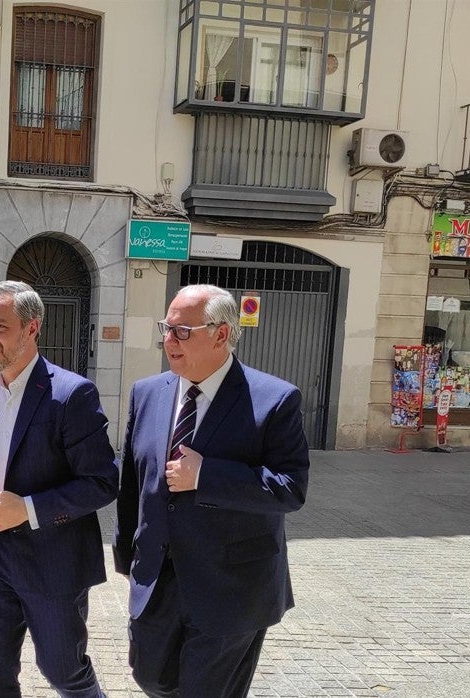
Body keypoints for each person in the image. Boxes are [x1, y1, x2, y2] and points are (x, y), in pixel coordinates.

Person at [114, 284, 309, 698]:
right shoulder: (147, 393)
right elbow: (132, 481)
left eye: (182, 331)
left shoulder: (274, 399)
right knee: (151, 679)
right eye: (166, 328)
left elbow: (290, 489)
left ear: (221, 334)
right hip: (159, 580)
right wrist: (127, 556)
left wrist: (207, 475)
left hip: (232, 588)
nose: (169, 340)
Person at [0, 280, 117, 698]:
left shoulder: (71, 394)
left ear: (31, 328)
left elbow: (103, 482)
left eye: (0, 327)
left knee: (63, 671)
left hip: (53, 559)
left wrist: (29, 508)